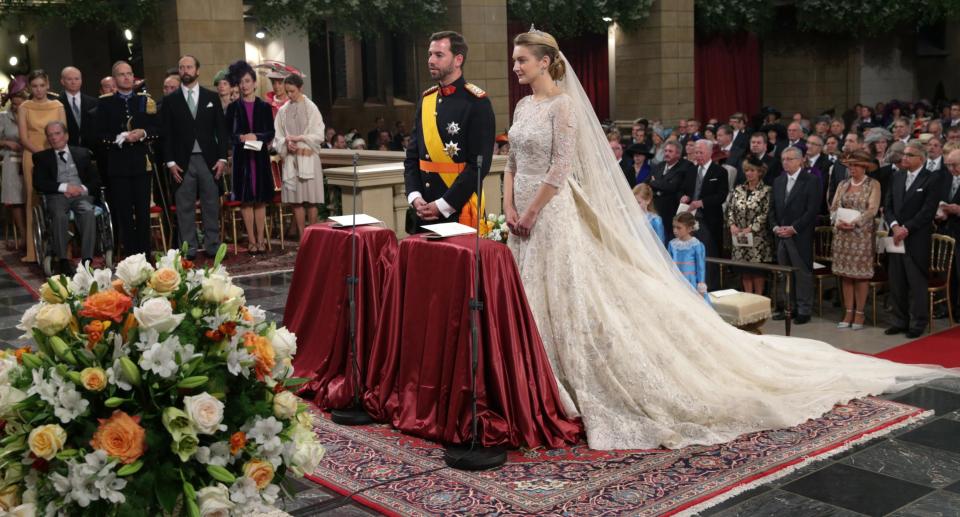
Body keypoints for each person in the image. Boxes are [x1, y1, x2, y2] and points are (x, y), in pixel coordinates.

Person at [503, 28, 954, 451]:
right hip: (521, 219)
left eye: (522, 59)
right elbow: (513, 163)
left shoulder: (563, 106)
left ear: (546, 62)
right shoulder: (524, 107)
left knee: (567, 294)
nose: (516, 65)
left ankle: (564, 381)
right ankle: (529, 381)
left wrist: (532, 210)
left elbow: (561, 168)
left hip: (550, 212)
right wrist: (509, 209)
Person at [404, 30, 494, 234]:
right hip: (422, 212)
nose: (431, 60)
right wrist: (415, 196)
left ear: (458, 60)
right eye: (430, 54)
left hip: (458, 211)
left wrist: (443, 205)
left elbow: (479, 165)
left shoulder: (476, 102)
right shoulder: (426, 100)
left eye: (439, 55)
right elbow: (412, 157)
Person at [161, 55, 229, 260]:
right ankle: (188, 248)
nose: (185, 71)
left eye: (189, 67)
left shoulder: (211, 97)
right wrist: (170, 162)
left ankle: (212, 245)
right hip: (182, 161)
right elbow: (167, 133)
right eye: (182, 67)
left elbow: (221, 130)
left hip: (209, 160)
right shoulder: (170, 100)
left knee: (210, 204)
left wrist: (222, 159)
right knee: (184, 207)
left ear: (197, 70)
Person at [95, 60, 159, 257]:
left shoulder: (144, 100)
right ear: (114, 80)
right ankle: (130, 257)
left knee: (142, 212)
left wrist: (143, 133)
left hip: (141, 162)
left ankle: (145, 255)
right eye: (122, 74)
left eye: (129, 73)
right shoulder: (105, 103)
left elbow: (156, 128)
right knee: (124, 213)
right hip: (118, 164)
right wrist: (119, 138)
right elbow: (99, 134)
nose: (127, 77)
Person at [884, 141, 946, 339]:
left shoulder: (932, 178)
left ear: (921, 158)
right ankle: (899, 321)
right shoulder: (897, 176)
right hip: (895, 237)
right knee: (896, 281)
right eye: (904, 154)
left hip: (916, 239)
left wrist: (907, 228)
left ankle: (918, 322)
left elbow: (928, 211)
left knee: (916, 283)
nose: (904, 158)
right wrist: (894, 225)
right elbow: (888, 205)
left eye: (909, 155)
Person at [32, 121, 100, 275]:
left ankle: (87, 260)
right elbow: (39, 183)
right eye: (50, 135)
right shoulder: (42, 158)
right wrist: (64, 187)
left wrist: (80, 189)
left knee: (88, 212)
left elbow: (96, 181)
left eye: (57, 133)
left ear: (66, 136)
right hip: (58, 197)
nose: (54, 138)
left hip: (81, 196)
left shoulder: (83, 154)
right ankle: (62, 260)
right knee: (58, 215)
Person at [224, 60, 274, 254]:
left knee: (260, 199)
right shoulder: (233, 108)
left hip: (259, 158)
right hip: (242, 159)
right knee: (246, 200)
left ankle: (261, 239)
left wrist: (257, 136)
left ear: (254, 82)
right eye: (241, 82)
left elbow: (270, 133)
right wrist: (241, 137)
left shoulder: (264, 106)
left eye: (247, 81)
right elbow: (228, 135)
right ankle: (251, 240)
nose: (244, 85)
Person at [18, 69, 67, 263]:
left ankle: (63, 247)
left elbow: (64, 133)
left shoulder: (58, 105)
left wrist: (53, 153)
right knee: (34, 198)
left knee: (59, 197)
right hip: (33, 155)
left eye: (42, 85)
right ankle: (34, 250)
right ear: (30, 87)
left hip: (56, 153)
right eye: (35, 86)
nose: (38, 90)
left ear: (48, 85)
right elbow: (23, 137)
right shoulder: (24, 106)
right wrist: (42, 155)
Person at [831, 150, 881, 330]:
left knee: (860, 276)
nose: (852, 168)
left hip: (861, 236)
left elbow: (872, 209)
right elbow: (834, 206)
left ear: (864, 167)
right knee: (846, 275)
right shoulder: (842, 184)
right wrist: (837, 221)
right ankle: (848, 311)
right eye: (850, 165)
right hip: (842, 236)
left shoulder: (873, 184)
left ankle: (860, 313)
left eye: (855, 165)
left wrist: (855, 222)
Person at [770, 146, 820, 324]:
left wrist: (794, 228)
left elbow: (812, 210)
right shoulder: (778, 181)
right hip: (781, 235)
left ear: (800, 161)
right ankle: (787, 308)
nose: (786, 162)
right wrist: (775, 227)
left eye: (790, 159)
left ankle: (804, 310)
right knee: (784, 273)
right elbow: (772, 209)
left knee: (802, 273)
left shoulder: (811, 180)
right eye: (784, 159)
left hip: (800, 235)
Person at [273, 73, 325, 240]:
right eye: (287, 91)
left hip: (308, 157)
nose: (289, 95)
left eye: (292, 91)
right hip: (292, 159)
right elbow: (278, 136)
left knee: (310, 200)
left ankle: (314, 238)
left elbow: (319, 134)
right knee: (296, 201)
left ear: (300, 88)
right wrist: (286, 143)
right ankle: (303, 238)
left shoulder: (311, 107)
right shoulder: (283, 110)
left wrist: (301, 138)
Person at [679, 139, 727, 288]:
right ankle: (691, 284)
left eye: (700, 152)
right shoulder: (691, 170)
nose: (697, 155)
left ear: (710, 153)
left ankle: (710, 286)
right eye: (695, 153)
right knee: (691, 252)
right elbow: (684, 189)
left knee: (709, 254)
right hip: (691, 218)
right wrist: (684, 196)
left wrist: (702, 202)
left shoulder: (719, 171)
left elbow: (721, 195)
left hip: (710, 219)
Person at [727, 156, 773, 294]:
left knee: (756, 271)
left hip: (758, 239)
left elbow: (766, 213)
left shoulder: (766, 190)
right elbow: (730, 209)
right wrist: (732, 225)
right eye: (747, 170)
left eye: (752, 170)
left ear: (760, 172)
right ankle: (748, 298)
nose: (749, 173)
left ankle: (758, 299)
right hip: (739, 236)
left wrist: (751, 228)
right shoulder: (738, 189)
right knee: (744, 270)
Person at [0, 76, 28, 250]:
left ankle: (36, 235)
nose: (17, 107)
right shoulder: (4, 117)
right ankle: (24, 235)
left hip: (29, 158)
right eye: (15, 104)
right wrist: (6, 143)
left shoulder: (31, 112)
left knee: (30, 197)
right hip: (11, 159)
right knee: (16, 199)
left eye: (20, 104)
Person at [647, 140, 690, 240]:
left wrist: (655, 182)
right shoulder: (659, 165)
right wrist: (659, 183)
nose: (666, 153)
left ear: (678, 154)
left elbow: (672, 187)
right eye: (665, 151)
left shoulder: (685, 167)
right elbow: (647, 181)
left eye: (670, 151)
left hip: (670, 210)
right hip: (654, 207)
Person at [936, 148, 960, 315]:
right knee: (947, 273)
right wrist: (940, 214)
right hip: (946, 231)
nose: (952, 169)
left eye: (955, 165)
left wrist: (959, 210)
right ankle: (948, 308)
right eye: (949, 165)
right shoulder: (945, 179)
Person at [667, 212, 709, 303]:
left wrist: (701, 285)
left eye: (679, 228)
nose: (675, 230)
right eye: (674, 227)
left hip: (690, 282)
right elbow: (669, 264)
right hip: (676, 281)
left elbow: (700, 267)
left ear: (689, 229)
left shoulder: (696, 245)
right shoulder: (672, 244)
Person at [57, 66, 97, 148]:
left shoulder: (94, 102)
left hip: (92, 149)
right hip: (67, 147)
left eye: (77, 79)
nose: (73, 82)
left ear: (81, 81)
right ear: (62, 81)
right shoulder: (56, 103)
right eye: (69, 79)